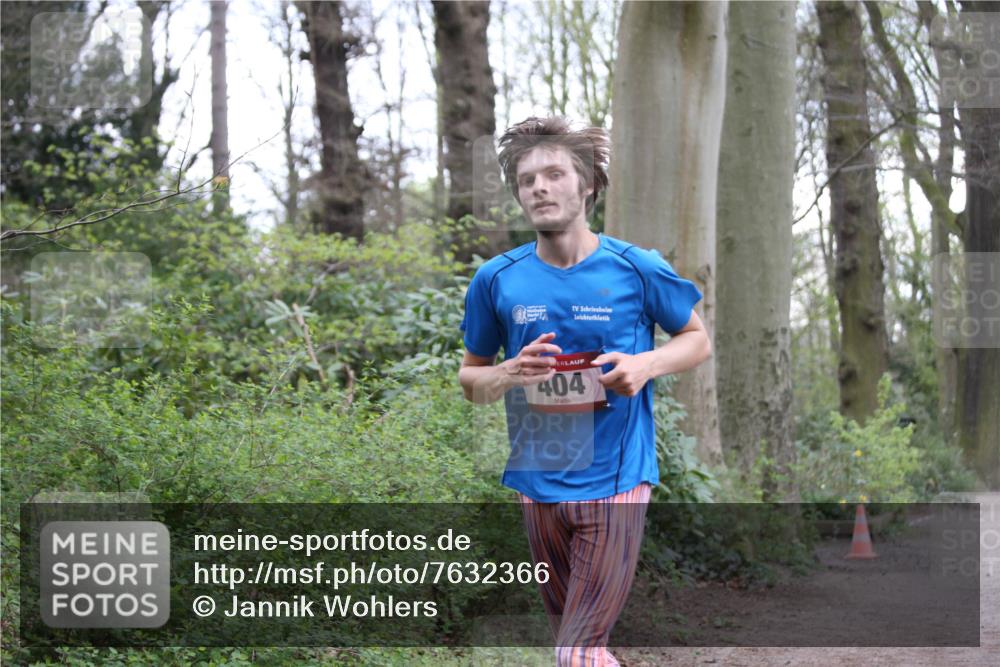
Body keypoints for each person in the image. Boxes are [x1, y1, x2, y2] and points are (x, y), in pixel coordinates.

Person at [458, 116, 712, 666]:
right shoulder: (497, 279)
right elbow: (470, 381)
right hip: (537, 482)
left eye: (553, 174)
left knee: (574, 653)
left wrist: (646, 364)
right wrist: (507, 374)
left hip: (616, 480)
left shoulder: (635, 268)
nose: (539, 188)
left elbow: (696, 340)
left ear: (588, 185)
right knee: (580, 652)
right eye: (527, 180)